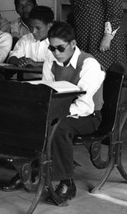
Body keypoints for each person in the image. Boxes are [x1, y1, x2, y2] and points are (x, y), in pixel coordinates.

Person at [42, 22, 105, 204]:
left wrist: (56, 113)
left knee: (59, 127)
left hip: (89, 116)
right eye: (51, 48)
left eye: (60, 48)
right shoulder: (51, 60)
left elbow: (84, 105)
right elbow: (48, 90)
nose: (55, 53)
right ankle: (34, 169)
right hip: (59, 111)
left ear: (72, 44)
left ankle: (66, 181)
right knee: (32, 121)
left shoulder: (88, 63)